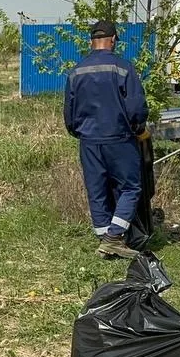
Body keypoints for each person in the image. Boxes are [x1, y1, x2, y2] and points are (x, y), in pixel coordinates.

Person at [64, 20, 149, 259]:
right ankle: (113, 238)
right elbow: (136, 106)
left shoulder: (77, 70)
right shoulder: (123, 68)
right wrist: (138, 126)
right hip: (119, 137)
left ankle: (104, 241)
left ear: (92, 41)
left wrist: (76, 130)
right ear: (113, 40)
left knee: (97, 189)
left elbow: (69, 109)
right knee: (131, 187)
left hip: (88, 139)